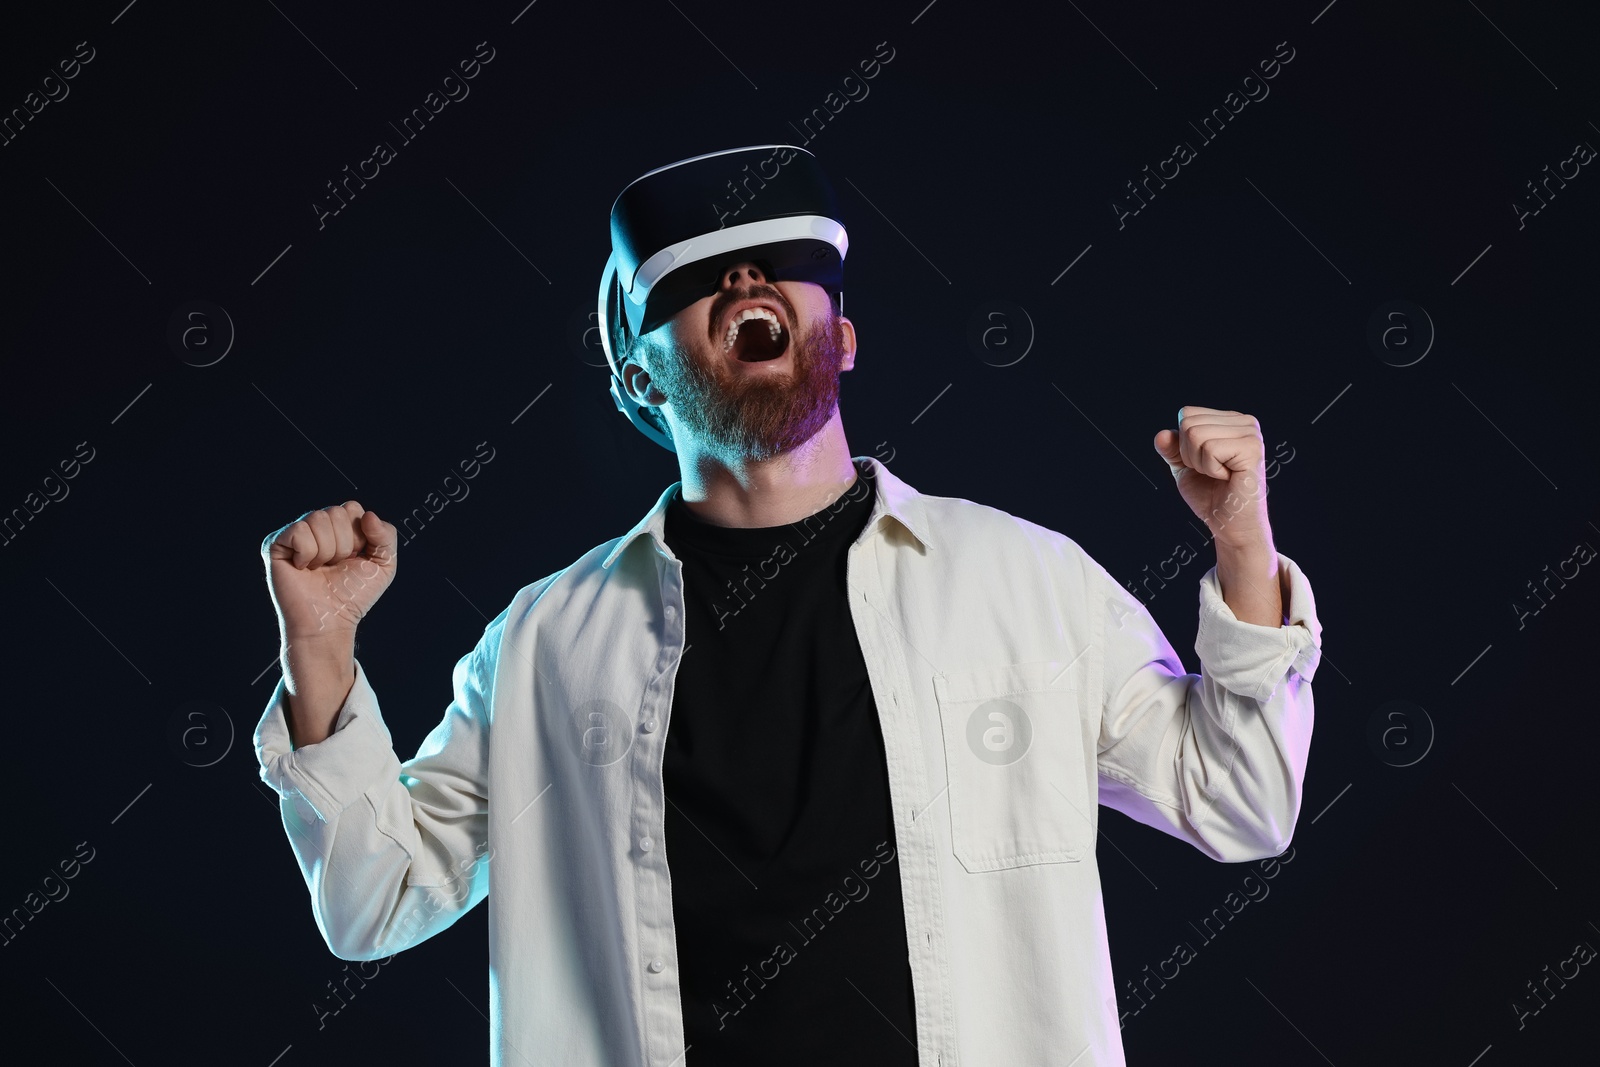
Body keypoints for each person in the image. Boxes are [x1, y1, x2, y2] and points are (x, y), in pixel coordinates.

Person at [255, 145, 1322, 1067]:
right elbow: (372, 897)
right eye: (700, 276)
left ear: (844, 338)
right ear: (639, 379)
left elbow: (1238, 801)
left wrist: (1241, 541)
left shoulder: (1026, 581)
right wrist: (320, 646)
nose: (747, 276)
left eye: (784, 263)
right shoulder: (542, 642)